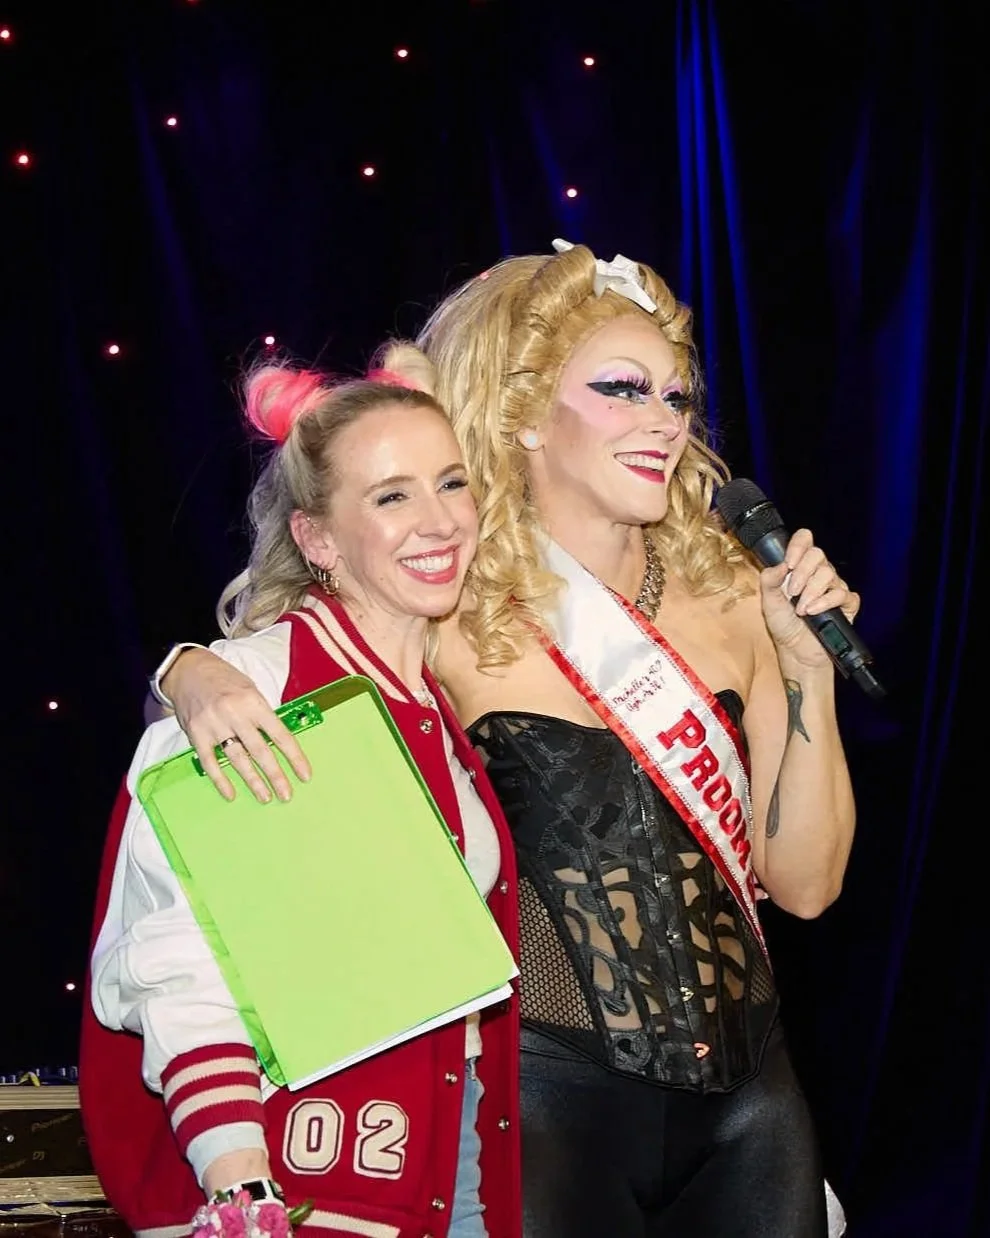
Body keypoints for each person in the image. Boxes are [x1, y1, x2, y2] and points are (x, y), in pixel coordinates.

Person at [153, 240, 856, 1237]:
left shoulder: (739, 594)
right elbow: (276, 679)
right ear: (524, 413)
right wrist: (187, 670)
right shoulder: (449, 605)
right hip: (545, 1105)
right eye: (622, 389)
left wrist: (807, 667)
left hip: (752, 1112)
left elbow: (808, 886)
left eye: (676, 397)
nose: (665, 421)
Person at [80, 351, 522, 1238]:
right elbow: (180, 961)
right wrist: (240, 1191)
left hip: (449, 1169)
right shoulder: (258, 690)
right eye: (391, 496)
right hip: (302, 1187)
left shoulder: (431, 703)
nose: (439, 520)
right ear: (317, 539)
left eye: (451, 483)